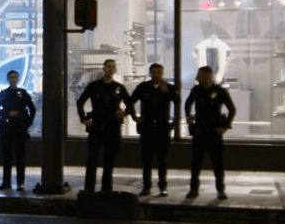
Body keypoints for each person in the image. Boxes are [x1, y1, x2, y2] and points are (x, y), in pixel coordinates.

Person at [76, 59, 131, 193]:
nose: (110, 69)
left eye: (113, 67)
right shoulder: (94, 86)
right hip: (97, 127)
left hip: (113, 128)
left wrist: (124, 113)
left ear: (115, 69)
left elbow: (130, 104)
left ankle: (106, 191)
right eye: (108, 66)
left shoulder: (119, 87)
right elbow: (80, 102)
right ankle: (89, 191)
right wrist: (83, 119)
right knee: (92, 161)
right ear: (104, 68)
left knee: (109, 162)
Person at [184, 66, 236, 200]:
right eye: (199, 77)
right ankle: (193, 190)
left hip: (214, 132)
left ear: (209, 76)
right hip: (199, 131)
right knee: (195, 163)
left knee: (217, 163)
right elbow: (188, 102)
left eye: (203, 77)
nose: (200, 79)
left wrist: (225, 126)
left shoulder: (220, 91)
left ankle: (220, 190)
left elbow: (232, 110)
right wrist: (188, 115)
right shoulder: (196, 90)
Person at [128, 63, 178, 197]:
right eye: (153, 72)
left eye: (159, 72)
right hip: (147, 129)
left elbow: (178, 102)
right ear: (150, 73)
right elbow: (130, 101)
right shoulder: (143, 87)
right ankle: (146, 187)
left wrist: (174, 122)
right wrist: (135, 117)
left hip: (162, 128)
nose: (156, 74)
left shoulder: (168, 87)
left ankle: (163, 187)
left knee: (162, 160)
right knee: (146, 160)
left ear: (162, 73)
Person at [0, 70, 36, 191]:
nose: (13, 79)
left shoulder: (22, 93)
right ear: (7, 79)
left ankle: (20, 183)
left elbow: (32, 109)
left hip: (20, 129)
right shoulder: (3, 93)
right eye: (11, 77)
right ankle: (6, 183)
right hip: (6, 129)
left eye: (15, 77)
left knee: (20, 157)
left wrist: (28, 123)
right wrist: (7, 113)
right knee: (7, 157)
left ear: (18, 79)